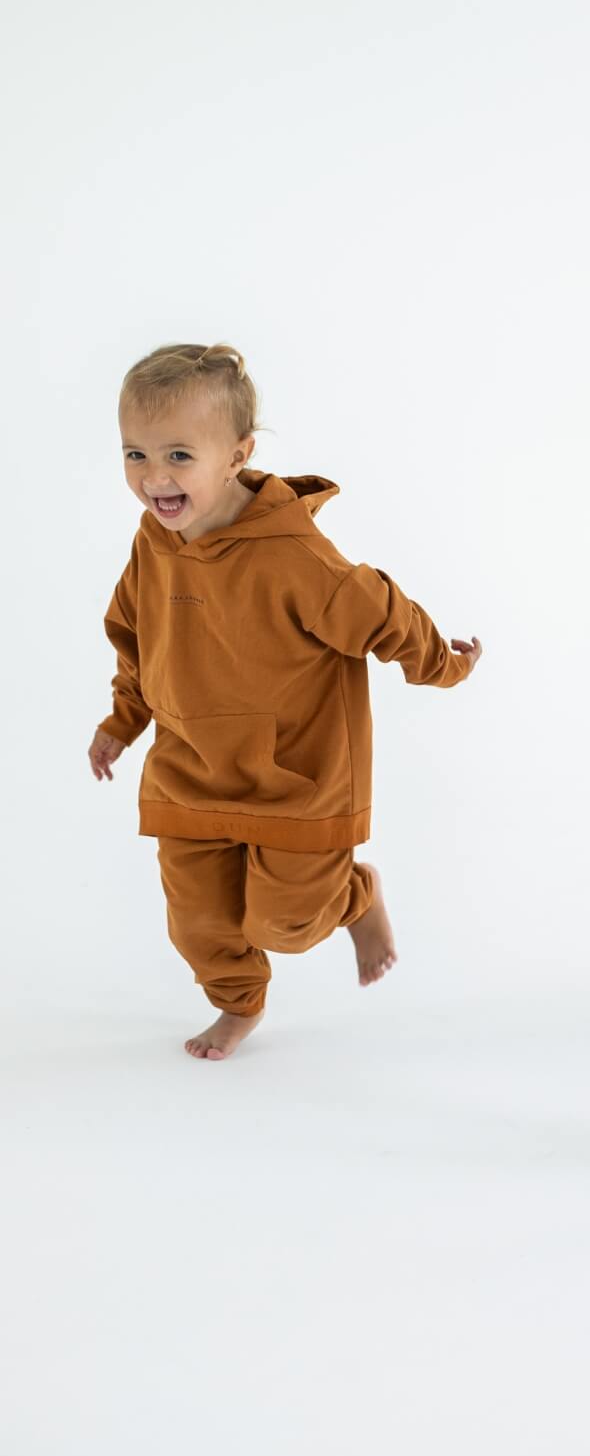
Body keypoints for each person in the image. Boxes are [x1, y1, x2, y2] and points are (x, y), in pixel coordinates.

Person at [89, 343, 481, 1062]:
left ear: (237, 455)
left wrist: (442, 663)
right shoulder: (154, 543)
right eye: (135, 454)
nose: (154, 478)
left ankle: (354, 897)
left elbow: (379, 612)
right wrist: (123, 720)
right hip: (190, 771)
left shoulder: (293, 555)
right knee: (198, 923)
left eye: (179, 455)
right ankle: (238, 1004)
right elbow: (135, 635)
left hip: (297, 779)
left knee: (286, 925)